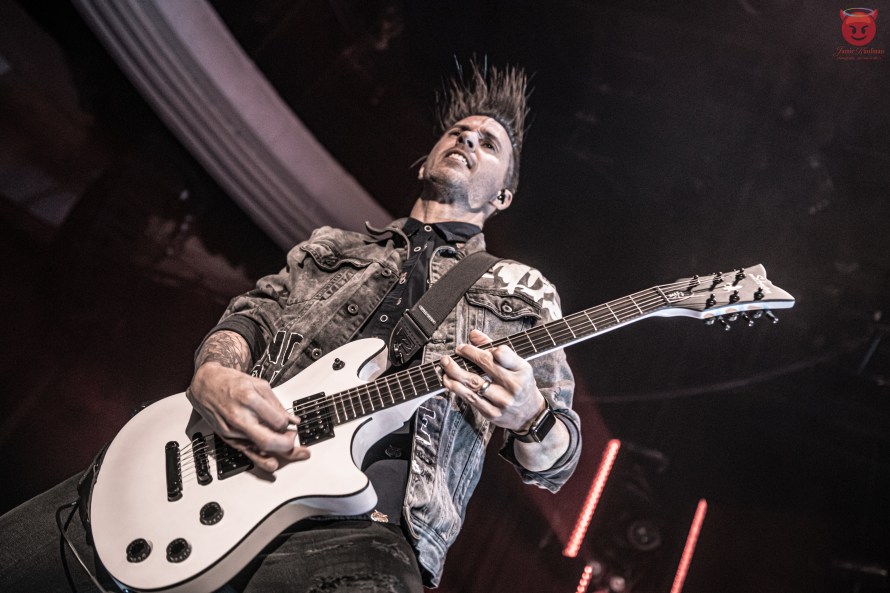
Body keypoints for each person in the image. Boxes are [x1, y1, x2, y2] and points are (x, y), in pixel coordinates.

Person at [0, 61, 581, 593]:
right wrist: (213, 374)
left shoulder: (522, 290)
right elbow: (253, 316)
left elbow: (558, 462)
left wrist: (530, 415)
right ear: (424, 161)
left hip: (360, 534)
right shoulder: (331, 246)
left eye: (489, 143)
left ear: (504, 195)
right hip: (211, 469)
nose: (468, 140)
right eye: (459, 132)